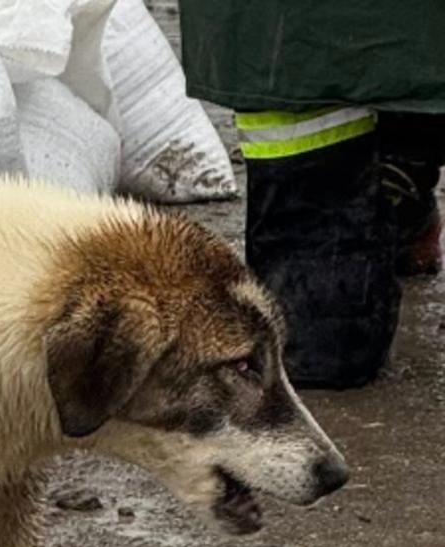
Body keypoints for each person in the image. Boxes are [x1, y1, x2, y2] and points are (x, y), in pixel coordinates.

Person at [179, 0, 445, 389]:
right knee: (315, 355)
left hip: (293, 45)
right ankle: (397, 171)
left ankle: (401, 167)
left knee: (316, 351)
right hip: (298, 54)